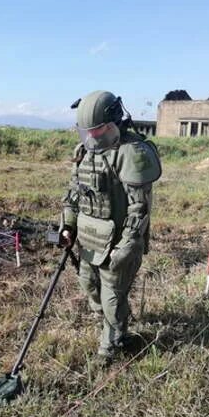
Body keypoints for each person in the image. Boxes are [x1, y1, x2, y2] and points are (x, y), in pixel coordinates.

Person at [59, 90, 161, 361]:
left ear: (115, 122)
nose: (92, 137)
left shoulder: (130, 152)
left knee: (112, 297)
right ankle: (114, 326)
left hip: (117, 241)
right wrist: (68, 225)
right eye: (87, 131)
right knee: (88, 284)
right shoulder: (84, 152)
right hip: (90, 238)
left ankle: (110, 347)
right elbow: (73, 194)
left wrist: (127, 246)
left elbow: (139, 208)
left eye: (99, 130)